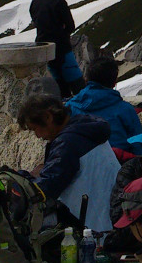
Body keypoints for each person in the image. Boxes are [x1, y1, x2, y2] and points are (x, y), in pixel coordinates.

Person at [17, 95, 118, 231]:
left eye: (35, 129)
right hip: (112, 215)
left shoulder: (67, 143)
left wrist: (22, 177)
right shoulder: (83, 128)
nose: (38, 136)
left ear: (48, 117)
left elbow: (45, 189)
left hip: (96, 226)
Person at [67, 57, 142, 156]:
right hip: (120, 165)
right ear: (114, 82)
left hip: (83, 166)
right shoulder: (125, 109)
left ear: (87, 79)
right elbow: (138, 145)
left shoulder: (70, 106)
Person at [30, 0, 78, 93]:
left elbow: (35, 20)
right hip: (62, 49)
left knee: (55, 88)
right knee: (77, 85)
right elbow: (70, 26)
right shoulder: (58, 1)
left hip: (42, 48)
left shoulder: (35, 0)